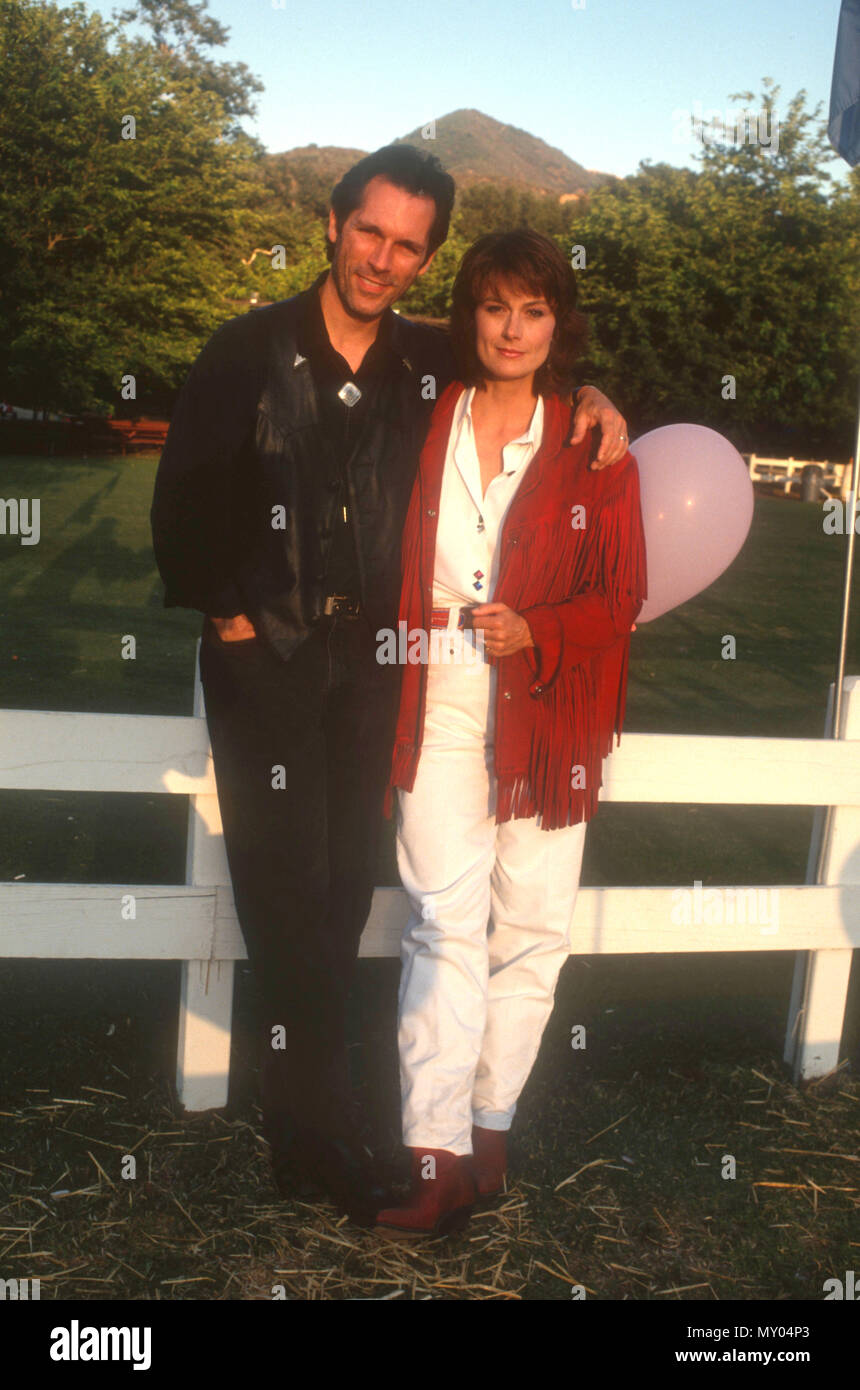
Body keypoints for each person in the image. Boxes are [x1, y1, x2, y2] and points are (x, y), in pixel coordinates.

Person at [150, 145, 631, 1224]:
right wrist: (229, 610)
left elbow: (522, 364)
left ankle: (334, 1123)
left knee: (347, 896)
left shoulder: (424, 363)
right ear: (331, 223)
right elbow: (182, 507)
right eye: (368, 231)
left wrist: (594, 397)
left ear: (424, 259)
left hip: (377, 675)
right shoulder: (245, 350)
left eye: (408, 244)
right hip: (264, 665)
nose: (382, 258)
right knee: (287, 901)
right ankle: (315, 1139)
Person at [376, 228, 647, 1237]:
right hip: (435, 698)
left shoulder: (591, 443)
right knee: (441, 923)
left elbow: (618, 598)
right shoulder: (421, 414)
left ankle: (489, 1132)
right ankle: (435, 1154)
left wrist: (537, 630)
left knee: (531, 933)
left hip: (549, 715)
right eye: (494, 306)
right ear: (468, 315)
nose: (512, 327)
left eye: (533, 310)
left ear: (555, 324)